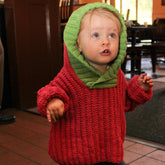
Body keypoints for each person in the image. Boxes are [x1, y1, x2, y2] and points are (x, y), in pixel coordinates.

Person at [37, 3, 153, 165]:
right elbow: (48, 91)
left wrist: (139, 88)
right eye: (96, 35)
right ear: (77, 44)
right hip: (77, 154)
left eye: (112, 35)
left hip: (109, 151)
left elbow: (125, 101)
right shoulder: (70, 77)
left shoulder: (116, 76)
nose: (105, 41)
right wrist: (54, 101)